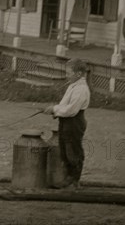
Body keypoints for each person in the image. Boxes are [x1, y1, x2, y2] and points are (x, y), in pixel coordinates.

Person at [44, 58, 90, 189]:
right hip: (65, 121)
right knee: (64, 150)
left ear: (78, 74)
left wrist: (54, 109)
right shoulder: (72, 86)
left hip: (74, 122)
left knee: (73, 152)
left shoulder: (81, 89)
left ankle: (74, 180)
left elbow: (71, 110)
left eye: (69, 72)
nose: (66, 75)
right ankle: (68, 178)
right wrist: (54, 110)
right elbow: (64, 105)